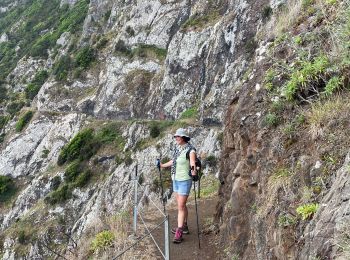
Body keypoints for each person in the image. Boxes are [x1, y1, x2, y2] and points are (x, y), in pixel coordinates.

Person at [159, 128, 197, 243]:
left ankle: (179, 232)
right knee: (182, 205)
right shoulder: (178, 149)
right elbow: (174, 161)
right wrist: (162, 165)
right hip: (176, 180)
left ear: (183, 137)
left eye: (178, 136)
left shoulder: (191, 150)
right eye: (175, 136)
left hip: (185, 180)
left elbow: (192, 163)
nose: (176, 138)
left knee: (180, 206)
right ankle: (184, 226)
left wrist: (194, 172)